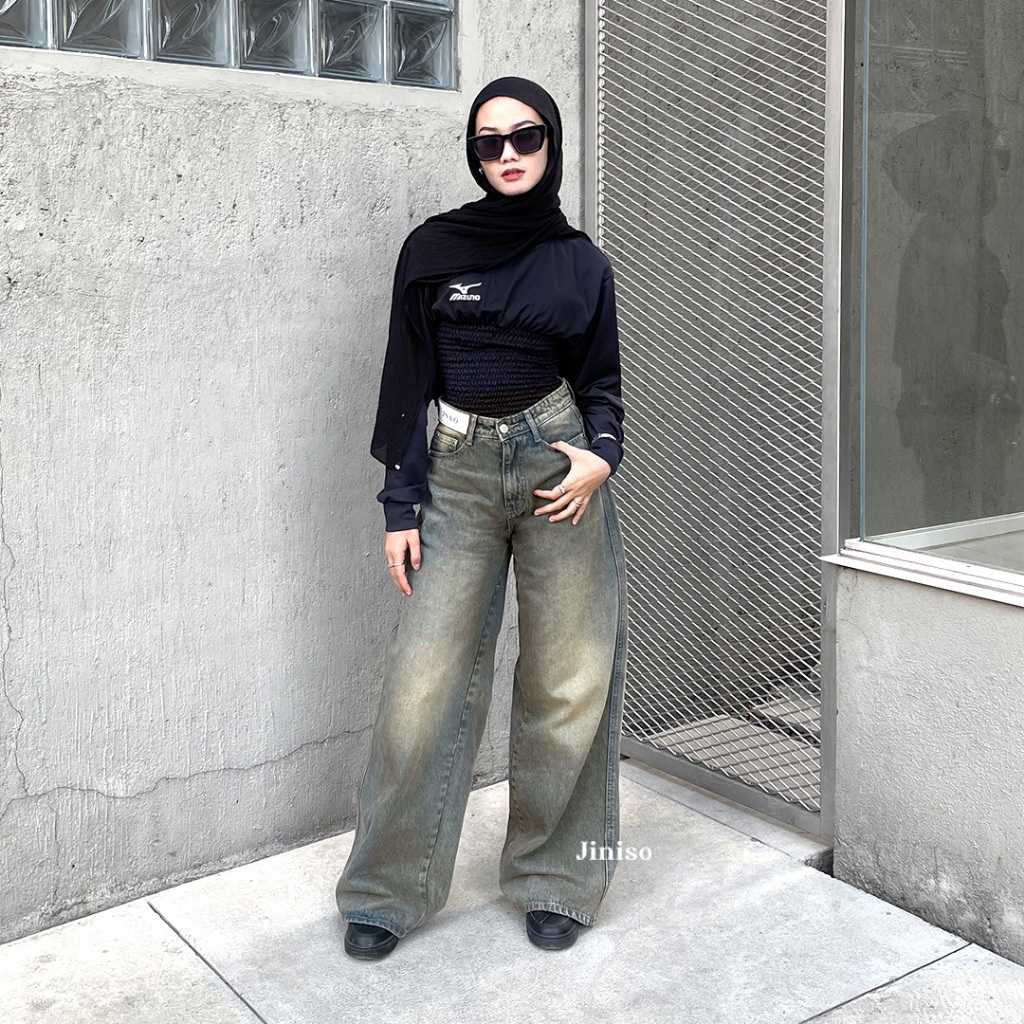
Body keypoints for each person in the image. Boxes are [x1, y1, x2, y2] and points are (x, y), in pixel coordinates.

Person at [336, 76, 628, 961]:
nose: (508, 154)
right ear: (473, 153)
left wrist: (602, 454)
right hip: (456, 472)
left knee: (568, 678)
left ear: (552, 144)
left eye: (526, 137)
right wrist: (400, 502)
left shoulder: (581, 264)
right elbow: (405, 377)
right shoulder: (433, 249)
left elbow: (602, 382)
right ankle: (386, 890)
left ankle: (556, 879)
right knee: (423, 682)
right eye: (489, 142)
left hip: (557, 468)